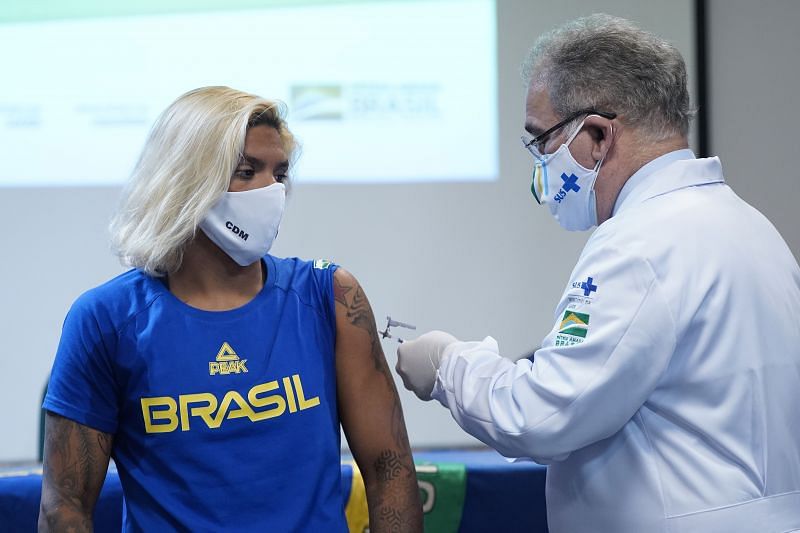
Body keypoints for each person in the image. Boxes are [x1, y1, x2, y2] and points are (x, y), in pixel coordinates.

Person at [396, 14, 800, 533]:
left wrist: (448, 365)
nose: (540, 162)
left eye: (541, 141)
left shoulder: (639, 243)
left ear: (596, 134)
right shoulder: (750, 225)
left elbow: (540, 416)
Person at [39, 86, 423, 532]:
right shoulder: (105, 319)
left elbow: (389, 469)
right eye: (246, 171)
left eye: (279, 173)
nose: (271, 191)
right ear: (186, 179)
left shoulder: (331, 296)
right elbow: (63, 506)